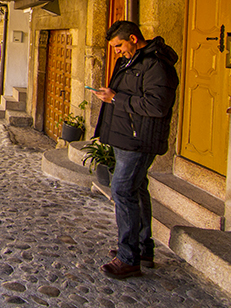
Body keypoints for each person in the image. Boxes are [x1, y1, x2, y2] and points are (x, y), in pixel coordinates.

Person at [92, 20, 179, 279]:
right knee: (137, 189)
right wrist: (110, 95)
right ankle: (142, 249)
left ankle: (128, 259)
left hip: (140, 139)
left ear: (133, 38)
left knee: (122, 190)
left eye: (119, 45)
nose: (117, 51)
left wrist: (116, 98)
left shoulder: (157, 65)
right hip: (126, 136)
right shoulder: (129, 61)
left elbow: (157, 106)